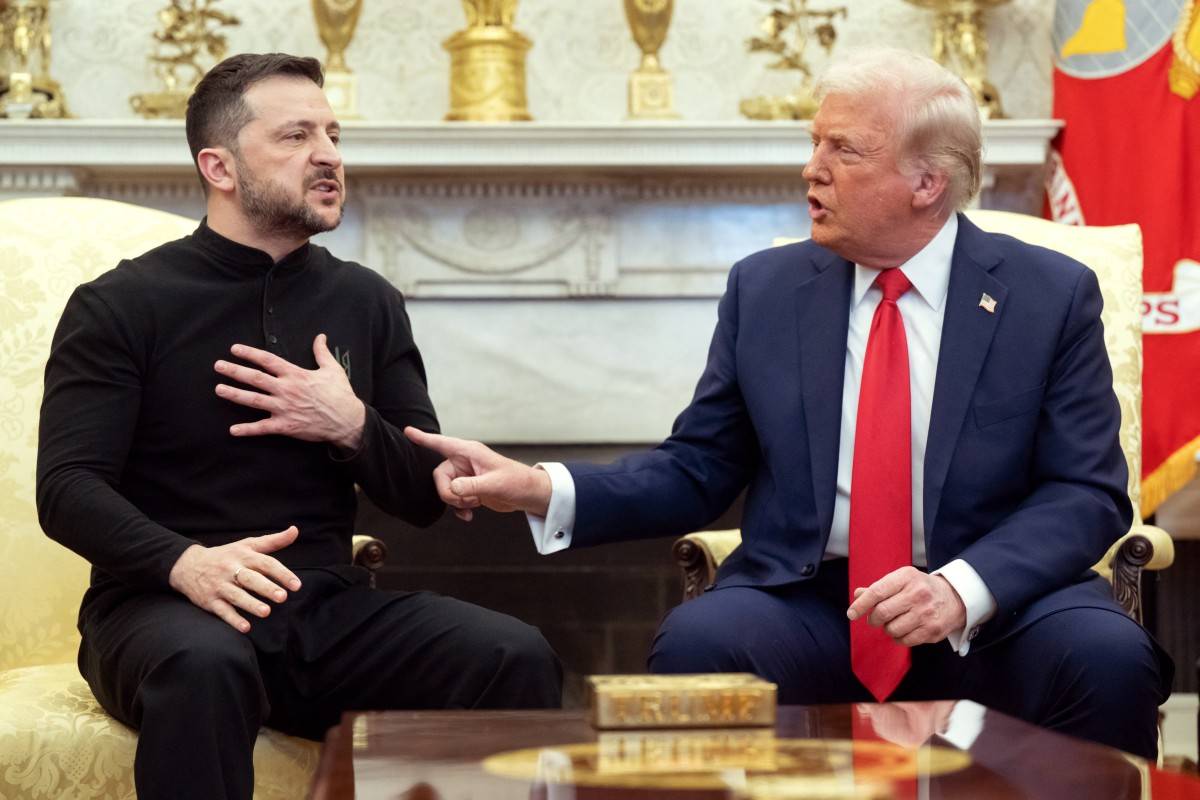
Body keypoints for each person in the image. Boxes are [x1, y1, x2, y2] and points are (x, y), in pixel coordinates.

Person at [404, 48, 1171, 759]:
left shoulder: (1048, 294)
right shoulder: (767, 291)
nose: (811, 170)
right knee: (702, 645)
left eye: (845, 150)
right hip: (812, 598)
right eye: (815, 144)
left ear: (927, 182)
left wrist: (958, 589)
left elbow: (1086, 492)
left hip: (999, 601)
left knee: (1106, 661)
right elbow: (698, 467)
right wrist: (540, 486)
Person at [36, 53, 561, 800]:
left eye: (334, 135)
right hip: (162, 608)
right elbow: (66, 488)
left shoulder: (367, 301)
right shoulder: (121, 303)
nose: (329, 156)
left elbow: (420, 495)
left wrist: (351, 425)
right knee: (204, 665)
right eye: (295, 136)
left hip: (323, 608)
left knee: (514, 653)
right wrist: (187, 563)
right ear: (218, 166)